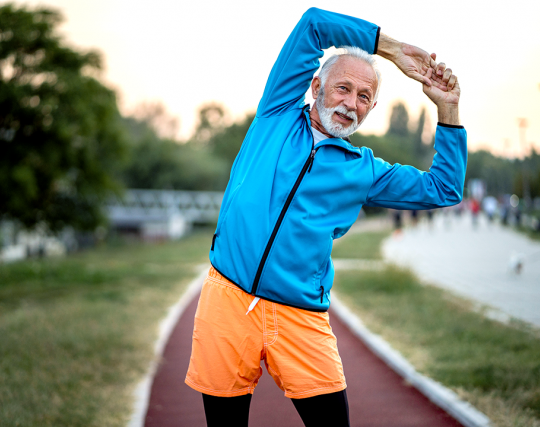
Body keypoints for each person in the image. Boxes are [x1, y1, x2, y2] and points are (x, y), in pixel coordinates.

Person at [185, 7, 466, 427]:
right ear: (316, 85)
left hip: (301, 315)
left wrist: (448, 108)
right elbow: (313, 23)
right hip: (227, 299)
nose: (351, 103)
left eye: (364, 97)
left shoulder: (365, 170)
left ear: (371, 109)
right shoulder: (276, 113)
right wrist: (391, 50)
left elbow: (443, 188)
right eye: (343, 88)